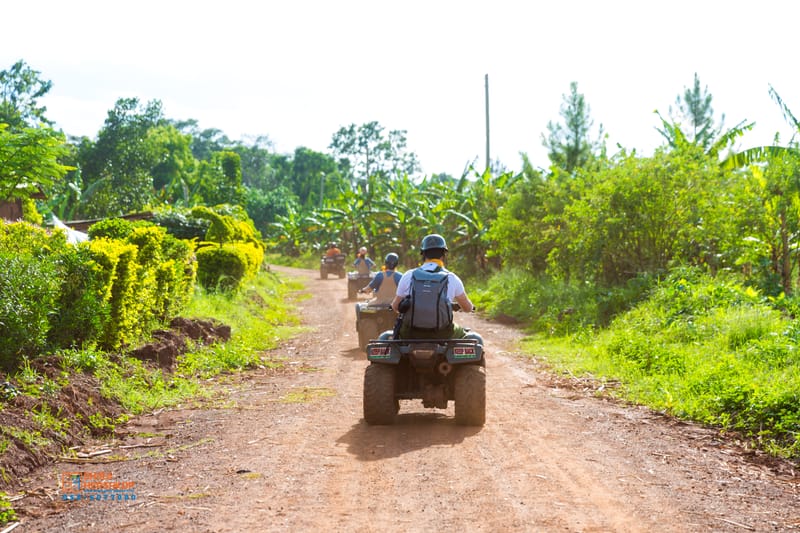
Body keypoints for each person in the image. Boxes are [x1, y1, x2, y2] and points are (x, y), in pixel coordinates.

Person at [391, 234, 478, 340]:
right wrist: (470, 307)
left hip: (411, 334)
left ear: (423, 254)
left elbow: (395, 307)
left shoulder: (408, 275)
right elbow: (467, 308)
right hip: (442, 334)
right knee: (474, 338)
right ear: (443, 254)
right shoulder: (452, 278)